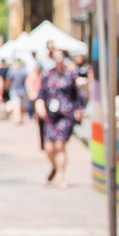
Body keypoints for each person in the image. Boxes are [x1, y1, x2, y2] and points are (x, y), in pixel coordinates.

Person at [33, 41, 84, 188]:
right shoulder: (46, 74)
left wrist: (78, 110)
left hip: (65, 113)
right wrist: (39, 105)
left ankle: (61, 176)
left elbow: (76, 95)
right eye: (56, 57)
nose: (59, 60)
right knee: (49, 147)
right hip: (49, 115)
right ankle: (54, 167)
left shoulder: (70, 75)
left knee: (60, 144)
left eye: (61, 57)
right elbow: (40, 93)